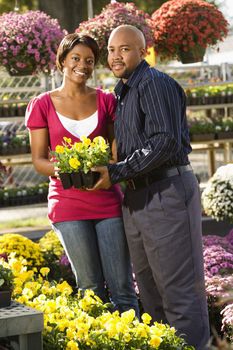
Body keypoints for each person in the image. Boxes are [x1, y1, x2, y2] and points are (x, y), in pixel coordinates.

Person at [91, 25, 210, 349]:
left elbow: (166, 142)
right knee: (151, 293)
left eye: (125, 49)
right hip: (136, 195)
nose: (116, 56)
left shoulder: (154, 84)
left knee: (178, 292)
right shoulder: (123, 92)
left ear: (142, 51)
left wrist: (117, 171)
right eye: (112, 50)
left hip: (166, 192)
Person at [25, 33, 139, 316]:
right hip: (68, 205)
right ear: (62, 61)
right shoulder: (42, 104)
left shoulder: (106, 100)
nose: (82, 65)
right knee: (90, 289)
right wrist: (67, 168)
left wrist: (107, 166)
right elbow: (39, 161)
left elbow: (116, 153)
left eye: (89, 60)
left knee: (123, 288)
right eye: (75, 58)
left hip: (107, 201)